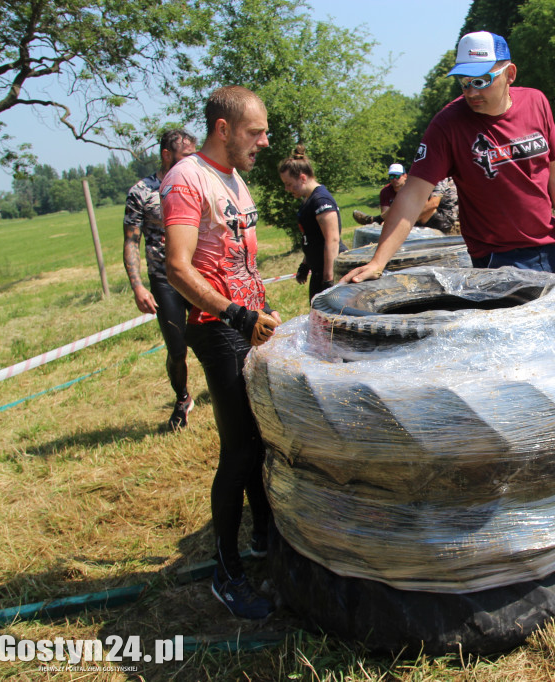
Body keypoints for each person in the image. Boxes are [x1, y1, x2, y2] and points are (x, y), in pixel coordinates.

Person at [342, 31, 555, 284]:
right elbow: (413, 196)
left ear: (510, 74)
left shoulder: (535, 102)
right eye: (464, 81)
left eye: (482, 80)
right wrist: (378, 262)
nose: (472, 91)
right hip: (496, 260)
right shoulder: (448, 125)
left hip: (550, 249)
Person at [162, 85, 280, 620]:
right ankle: (226, 573)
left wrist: (261, 309)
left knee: (260, 441)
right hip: (217, 327)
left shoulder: (233, 179)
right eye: (256, 132)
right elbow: (178, 267)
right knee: (239, 450)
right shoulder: (187, 179)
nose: (265, 141)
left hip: (249, 324)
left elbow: (241, 260)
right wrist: (235, 314)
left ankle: (264, 542)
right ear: (223, 129)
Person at [122, 129, 197, 431]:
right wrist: (138, 286)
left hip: (198, 273)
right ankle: (182, 397)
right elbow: (131, 241)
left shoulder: (195, 182)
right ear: (167, 155)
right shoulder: (141, 191)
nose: (191, 162)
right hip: (164, 279)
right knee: (177, 349)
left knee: (218, 335)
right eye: (185, 156)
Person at [278, 144, 347, 301]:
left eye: (288, 183)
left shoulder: (321, 200)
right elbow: (314, 239)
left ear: (303, 178)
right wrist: (305, 264)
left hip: (330, 271)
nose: (286, 189)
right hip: (317, 270)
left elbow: (332, 240)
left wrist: (329, 280)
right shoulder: (308, 200)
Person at [353, 164, 460, 233]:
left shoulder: (439, 177)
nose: (394, 180)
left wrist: (405, 218)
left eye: (397, 176)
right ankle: (375, 219)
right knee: (405, 202)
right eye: (391, 177)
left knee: (419, 204)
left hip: (445, 219)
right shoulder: (387, 190)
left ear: (404, 176)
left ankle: (376, 220)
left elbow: (433, 204)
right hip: (432, 215)